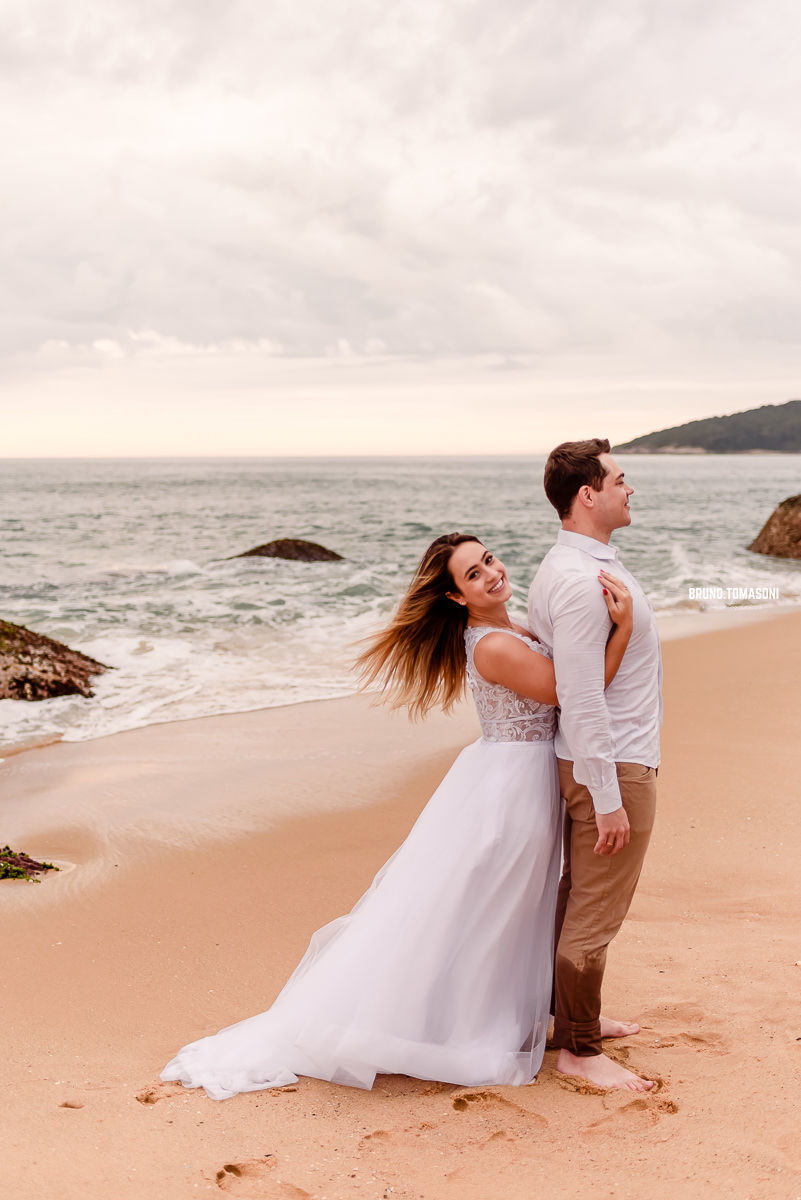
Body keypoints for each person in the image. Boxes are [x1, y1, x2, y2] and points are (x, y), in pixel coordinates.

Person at [161, 533, 632, 1100]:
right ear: (456, 597)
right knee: (493, 907)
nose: (491, 574)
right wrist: (624, 631)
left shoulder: (515, 626)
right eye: (473, 574)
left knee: (514, 905)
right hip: (512, 786)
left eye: (488, 560)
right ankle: (465, 1026)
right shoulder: (492, 645)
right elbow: (570, 692)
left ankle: (554, 1013)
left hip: (519, 775)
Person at [528, 440, 662, 1092]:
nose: (629, 488)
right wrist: (608, 797)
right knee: (594, 912)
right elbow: (579, 697)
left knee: (577, 897)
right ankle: (578, 1049)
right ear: (587, 494)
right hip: (611, 765)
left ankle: (570, 1017)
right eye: (619, 479)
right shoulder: (581, 581)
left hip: (604, 759)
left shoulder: (581, 564)